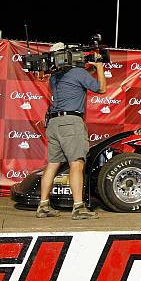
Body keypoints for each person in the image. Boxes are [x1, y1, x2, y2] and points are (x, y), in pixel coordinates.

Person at [36, 59, 107, 219]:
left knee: (52, 165)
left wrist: (89, 69)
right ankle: (78, 207)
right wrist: (100, 68)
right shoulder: (78, 73)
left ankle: (43, 206)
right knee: (76, 164)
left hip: (54, 123)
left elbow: (75, 79)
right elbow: (101, 88)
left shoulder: (55, 76)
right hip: (70, 123)